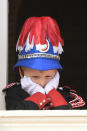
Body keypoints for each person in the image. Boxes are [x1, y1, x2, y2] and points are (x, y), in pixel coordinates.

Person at [3, 16, 86, 110]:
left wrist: (52, 92)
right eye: (35, 77)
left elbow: (70, 117)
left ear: (56, 73)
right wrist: (39, 95)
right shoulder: (14, 93)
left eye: (48, 77)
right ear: (21, 73)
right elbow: (16, 114)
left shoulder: (67, 95)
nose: (42, 83)